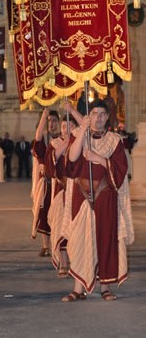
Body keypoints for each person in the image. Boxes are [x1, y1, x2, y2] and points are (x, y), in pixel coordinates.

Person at [61, 99, 134, 302]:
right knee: (79, 240)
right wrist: (82, 131)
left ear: (107, 117)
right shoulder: (79, 135)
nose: (99, 118)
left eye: (103, 114)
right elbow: (72, 162)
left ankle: (105, 287)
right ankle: (78, 288)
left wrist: (100, 159)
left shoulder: (114, 140)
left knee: (105, 241)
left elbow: (120, 172)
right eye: (95, 114)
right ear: (89, 116)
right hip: (82, 197)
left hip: (105, 197)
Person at [45, 113, 80, 277]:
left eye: (70, 126)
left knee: (77, 228)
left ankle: (78, 263)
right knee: (61, 227)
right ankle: (64, 262)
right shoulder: (55, 143)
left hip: (79, 190)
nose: (66, 129)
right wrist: (65, 144)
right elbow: (49, 166)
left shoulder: (81, 142)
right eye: (64, 126)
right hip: (61, 190)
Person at [31, 109, 60, 256]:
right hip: (46, 185)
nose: (52, 124)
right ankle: (46, 246)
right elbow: (37, 139)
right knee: (43, 213)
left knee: (58, 215)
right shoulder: (45, 141)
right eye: (49, 121)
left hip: (60, 184)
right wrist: (43, 116)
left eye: (54, 121)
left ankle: (58, 245)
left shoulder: (63, 139)